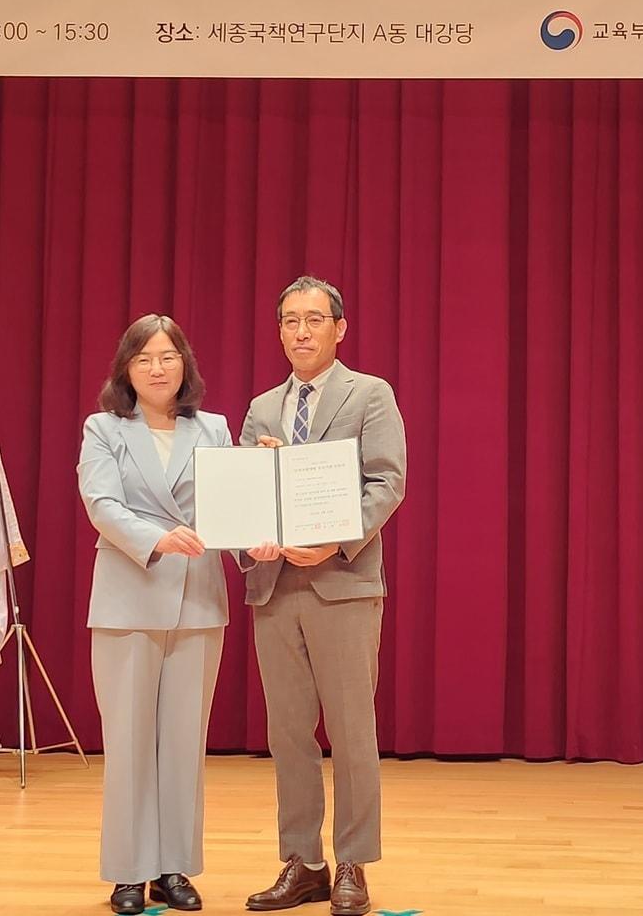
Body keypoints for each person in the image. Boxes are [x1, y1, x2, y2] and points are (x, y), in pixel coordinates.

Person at [240, 276, 407, 916]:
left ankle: (354, 864)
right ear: (279, 330)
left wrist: (334, 543)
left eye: (314, 320)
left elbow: (386, 483)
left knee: (351, 729)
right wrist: (249, 540)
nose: (301, 332)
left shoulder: (370, 395)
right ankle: (303, 862)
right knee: (287, 734)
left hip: (342, 584)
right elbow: (250, 492)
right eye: (289, 321)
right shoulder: (261, 407)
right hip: (275, 586)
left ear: (340, 328)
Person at [77, 314, 232, 915]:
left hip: (197, 603)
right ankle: (126, 873)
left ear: (185, 364)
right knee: (130, 742)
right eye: (145, 358)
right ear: (127, 369)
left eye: (168, 357)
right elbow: (101, 504)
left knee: (184, 743)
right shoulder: (104, 429)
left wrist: (268, 483)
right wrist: (157, 539)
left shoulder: (215, 429)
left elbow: (235, 504)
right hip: (127, 599)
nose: (158, 368)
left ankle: (173, 869)